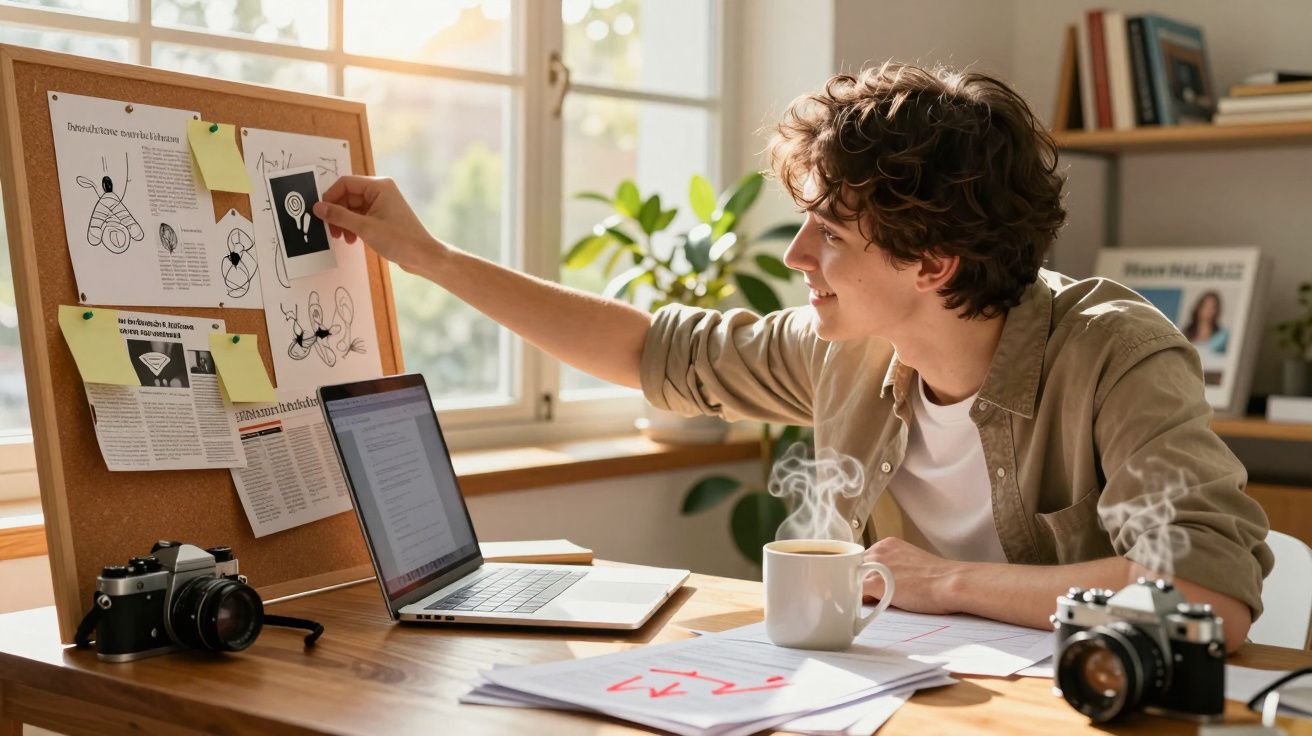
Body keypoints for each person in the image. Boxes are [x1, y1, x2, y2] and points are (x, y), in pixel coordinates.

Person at [313, 62, 1270, 650]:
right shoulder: (849, 351)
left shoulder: (1116, 353)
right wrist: (430, 259)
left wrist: (947, 583)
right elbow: (649, 348)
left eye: (830, 236)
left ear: (932, 261)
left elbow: (1208, 594)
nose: (796, 257)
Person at [1183, 290, 1230, 356]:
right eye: (1205, 306)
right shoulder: (1186, 333)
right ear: (1198, 308)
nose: (1208, 310)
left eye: (1212, 307)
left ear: (1217, 311)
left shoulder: (1222, 336)